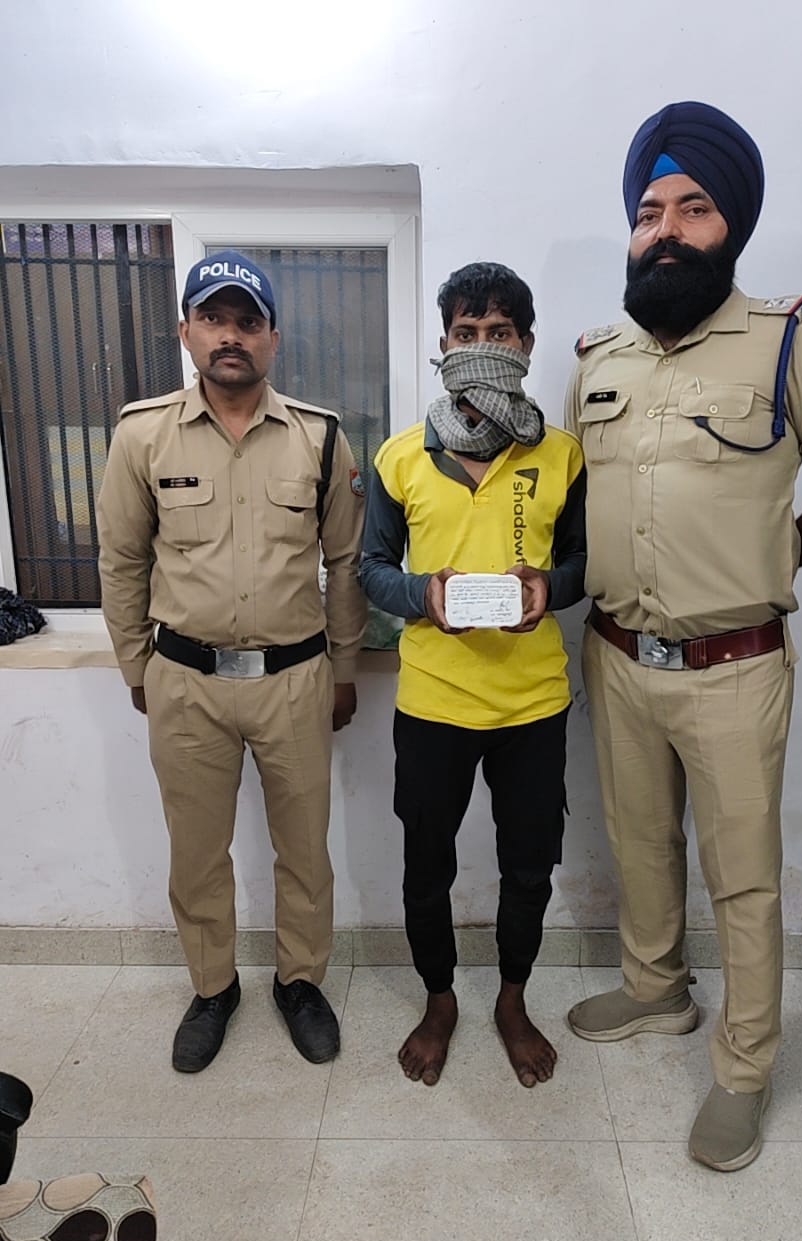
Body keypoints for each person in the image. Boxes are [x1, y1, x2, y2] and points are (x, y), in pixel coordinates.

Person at [564, 102, 802, 1170]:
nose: (664, 229)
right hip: (617, 655)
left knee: (742, 878)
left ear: (731, 224)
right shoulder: (596, 355)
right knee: (638, 842)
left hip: (733, 669)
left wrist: (768, 560)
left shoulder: (791, 337)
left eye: (692, 208)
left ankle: (744, 1068)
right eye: (647, 212)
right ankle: (656, 989)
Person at [97, 250, 367, 1073]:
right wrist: (137, 667)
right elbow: (121, 561)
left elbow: (345, 563)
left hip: (295, 681)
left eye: (248, 322)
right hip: (185, 682)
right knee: (197, 852)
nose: (231, 336)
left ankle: (300, 983)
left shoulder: (320, 436)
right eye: (213, 318)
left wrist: (344, 670)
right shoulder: (142, 434)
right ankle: (213, 989)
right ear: (186, 331)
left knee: (305, 849)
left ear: (272, 338)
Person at [361, 263, 586, 1088]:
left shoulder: (562, 454)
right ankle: (440, 999)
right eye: (466, 332)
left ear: (525, 345)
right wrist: (423, 595)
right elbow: (371, 568)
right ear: (444, 343)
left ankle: (513, 1000)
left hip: (533, 703)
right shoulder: (399, 456)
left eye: (499, 332)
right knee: (428, 866)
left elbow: (585, 563)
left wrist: (548, 589)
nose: (482, 344)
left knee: (529, 866)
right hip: (433, 702)